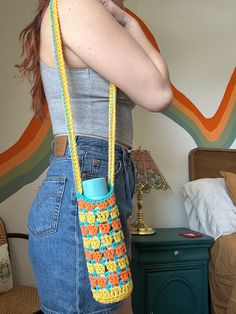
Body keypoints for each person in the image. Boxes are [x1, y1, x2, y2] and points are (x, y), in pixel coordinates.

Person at [17, 0, 173, 313]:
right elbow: (159, 94)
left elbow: (159, 85)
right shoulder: (75, 4)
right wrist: (130, 25)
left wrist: (129, 24)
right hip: (86, 178)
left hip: (98, 181)